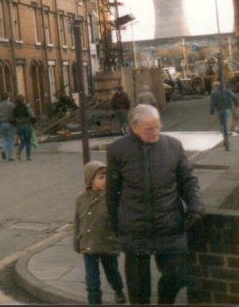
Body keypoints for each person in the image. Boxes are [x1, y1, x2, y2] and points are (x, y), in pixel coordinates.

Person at [106, 105, 204, 304]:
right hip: (135, 228)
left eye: (157, 127)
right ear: (133, 128)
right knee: (138, 290)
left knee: (178, 275)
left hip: (169, 224)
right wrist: (116, 224)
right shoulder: (117, 150)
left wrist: (195, 204)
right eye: (148, 129)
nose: (155, 133)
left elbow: (187, 180)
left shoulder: (173, 146)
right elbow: (112, 192)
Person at [74, 161, 126, 305]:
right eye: (101, 177)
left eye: (107, 177)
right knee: (92, 279)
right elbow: (78, 221)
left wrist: (118, 240)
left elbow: (119, 221)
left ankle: (118, 289)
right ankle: (94, 301)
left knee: (112, 273)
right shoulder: (81, 198)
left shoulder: (112, 198)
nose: (105, 181)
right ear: (90, 180)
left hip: (107, 242)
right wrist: (77, 242)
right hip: (89, 244)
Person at [209, 81, 237, 151]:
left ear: (216, 87)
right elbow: (234, 97)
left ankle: (225, 140)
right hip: (227, 110)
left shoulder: (213, 94)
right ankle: (226, 140)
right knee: (227, 125)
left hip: (220, 112)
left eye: (214, 87)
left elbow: (212, 104)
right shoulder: (227, 91)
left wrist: (212, 113)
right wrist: (237, 105)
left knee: (222, 125)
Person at [13, 95, 35, 161]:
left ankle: (19, 150)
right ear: (24, 100)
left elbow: (14, 118)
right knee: (28, 141)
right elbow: (32, 116)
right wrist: (33, 123)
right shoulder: (26, 107)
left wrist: (16, 126)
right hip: (27, 126)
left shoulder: (15, 109)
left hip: (19, 127)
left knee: (23, 140)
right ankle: (28, 156)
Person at [0, 92, 15, 161]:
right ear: (8, 97)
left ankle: (3, 149)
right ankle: (10, 156)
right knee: (10, 140)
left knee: (4, 138)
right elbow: (14, 114)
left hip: (2, 124)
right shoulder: (11, 105)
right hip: (10, 124)